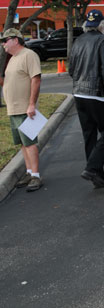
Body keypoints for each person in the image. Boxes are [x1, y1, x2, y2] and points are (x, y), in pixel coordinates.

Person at [68, 9, 104, 189]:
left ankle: (97, 175)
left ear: (86, 25)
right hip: (97, 94)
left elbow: (71, 70)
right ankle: (92, 168)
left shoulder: (78, 41)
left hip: (79, 93)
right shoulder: (103, 41)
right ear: (101, 25)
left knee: (89, 134)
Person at [0, 28, 43, 192]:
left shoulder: (28, 55)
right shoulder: (12, 59)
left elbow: (36, 79)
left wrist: (31, 104)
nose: (3, 44)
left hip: (25, 109)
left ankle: (36, 176)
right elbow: (9, 82)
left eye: (5, 40)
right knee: (22, 144)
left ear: (15, 40)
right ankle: (29, 171)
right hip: (13, 109)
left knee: (29, 143)